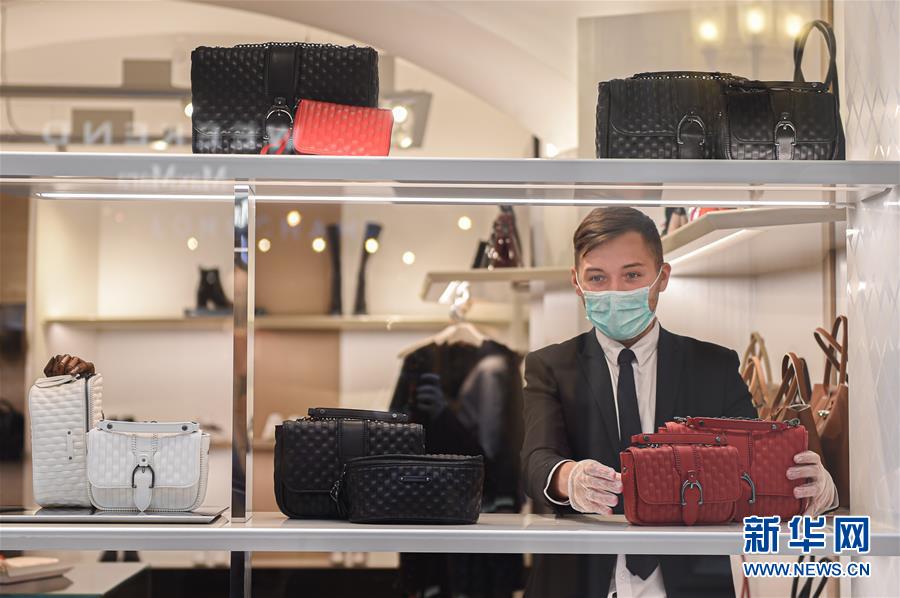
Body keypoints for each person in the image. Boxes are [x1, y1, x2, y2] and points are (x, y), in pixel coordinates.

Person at [521, 207, 837, 598]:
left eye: (632, 275)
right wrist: (568, 478)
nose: (615, 291)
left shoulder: (713, 366)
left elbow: (754, 465)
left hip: (691, 582)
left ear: (662, 277)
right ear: (577, 282)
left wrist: (813, 489)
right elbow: (536, 459)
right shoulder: (551, 366)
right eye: (597, 278)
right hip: (576, 581)